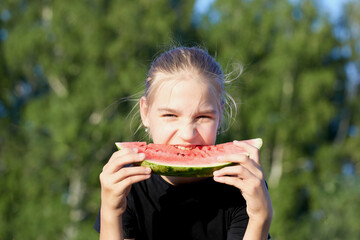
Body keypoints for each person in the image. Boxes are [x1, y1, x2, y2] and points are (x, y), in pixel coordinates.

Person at [94, 46, 273, 240]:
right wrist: (111, 213)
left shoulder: (242, 187)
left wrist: (260, 217)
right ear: (145, 112)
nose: (188, 134)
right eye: (170, 115)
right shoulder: (128, 186)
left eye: (203, 116)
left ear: (220, 116)